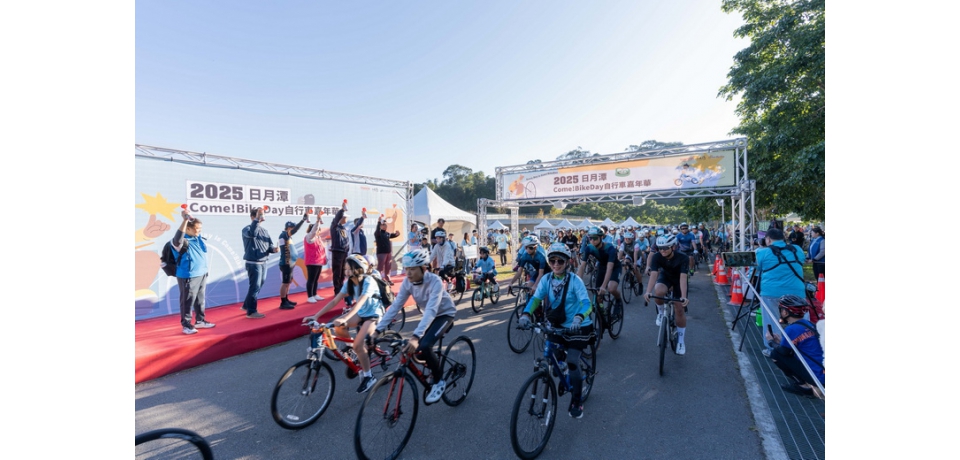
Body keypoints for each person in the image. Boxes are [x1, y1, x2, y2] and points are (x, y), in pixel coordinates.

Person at [371, 249, 458, 404]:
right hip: (430, 315)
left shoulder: (435, 281)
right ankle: (433, 365)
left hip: (444, 314)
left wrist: (416, 336)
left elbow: (432, 310)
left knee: (424, 345)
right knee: (415, 351)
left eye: (412, 269)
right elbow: (396, 307)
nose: (408, 273)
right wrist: (377, 331)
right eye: (407, 269)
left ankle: (439, 382)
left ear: (424, 268)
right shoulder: (407, 283)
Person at [518, 243, 593, 418]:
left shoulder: (576, 280)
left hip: (578, 326)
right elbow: (536, 299)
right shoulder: (546, 279)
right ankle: (563, 367)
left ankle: (576, 400)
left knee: (573, 360)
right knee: (551, 353)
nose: (556, 264)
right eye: (552, 260)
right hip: (558, 325)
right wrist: (526, 314)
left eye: (560, 260)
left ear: (567, 262)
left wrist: (579, 317)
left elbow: (586, 303)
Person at [302, 255, 385, 394]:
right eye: (345, 268)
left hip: (373, 314)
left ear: (359, 269)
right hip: (361, 313)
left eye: (349, 268)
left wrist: (345, 317)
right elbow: (335, 301)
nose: (346, 271)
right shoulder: (349, 282)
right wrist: (316, 316)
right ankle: (352, 348)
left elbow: (360, 303)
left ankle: (368, 376)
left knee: (359, 344)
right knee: (338, 325)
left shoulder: (368, 281)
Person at [755, 227, 807, 356]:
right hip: (797, 292)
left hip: (771, 292)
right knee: (800, 321)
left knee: (771, 321)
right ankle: (803, 349)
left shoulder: (763, 252)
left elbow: (758, 268)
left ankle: (773, 349)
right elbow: (802, 261)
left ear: (768, 239)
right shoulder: (797, 249)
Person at [764, 294, 825, 396]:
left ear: (785, 312)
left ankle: (803, 386)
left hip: (818, 377)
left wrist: (771, 341)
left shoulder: (791, 329)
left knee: (775, 354)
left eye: (781, 309)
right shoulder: (808, 324)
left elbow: (784, 352)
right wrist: (780, 342)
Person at [644, 233, 690, 355]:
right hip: (666, 277)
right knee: (658, 291)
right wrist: (648, 291)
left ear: (673, 247)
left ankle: (680, 341)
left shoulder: (683, 258)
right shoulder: (657, 257)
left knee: (679, 308)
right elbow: (654, 274)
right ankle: (660, 313)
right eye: (660, 248)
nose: (662, 251)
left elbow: (683, 278)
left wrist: (683, 296)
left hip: (679, 280)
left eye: (665, 248)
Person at [174, 210, 214, 334]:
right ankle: (186, 325)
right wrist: (185, 220)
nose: (199, 231)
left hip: (201, 273)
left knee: (200, 300)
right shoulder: (181, 241)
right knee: (187, 301)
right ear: (188, 229)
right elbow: (177, 239)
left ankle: (200, 321)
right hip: (188, 275)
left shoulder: (197, 238)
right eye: (197, 229)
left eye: (200, 228)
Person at [242, 206, 279, 319]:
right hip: (253, 263)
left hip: (263, 262)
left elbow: (269, 245)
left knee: (258, 285)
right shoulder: (246, 229)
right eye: (258, 216)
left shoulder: (265, 231)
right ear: (253, 217)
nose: (262, 217)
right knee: (255, 286)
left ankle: (246, 305)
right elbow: (252, 233)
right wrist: (257, 220)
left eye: (262, 215)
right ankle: (251, 312)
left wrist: (273, 249)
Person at [576, 226, 623, 313]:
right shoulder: (589, 248)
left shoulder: (610, 248)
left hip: (614, 267)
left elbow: (610, 268)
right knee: (598, 295)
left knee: (611, 288)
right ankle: (602, 313)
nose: (592, 240)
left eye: (595, 238)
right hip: (602, 267)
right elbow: (582, 266)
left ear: (601, 237)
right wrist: (577, 284)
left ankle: (618, 300)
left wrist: (604, 286)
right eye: (590, 238)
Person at [277, 214, 308, 309]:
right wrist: (303, 220)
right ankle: (283, 303)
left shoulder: (288, 237)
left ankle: (286, 299)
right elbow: (295, 231)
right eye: (291, 228)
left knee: (288, 282)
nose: (293, 230)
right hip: (286, 263)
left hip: (290, 263)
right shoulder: (284, 234)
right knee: (285, 282)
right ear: (288, 228)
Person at [303, 213, 327, 303]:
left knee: (316, 279)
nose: (318, 231)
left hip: (319, 262)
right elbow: (313, 231)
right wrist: (318, 221)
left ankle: (314, 294)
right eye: (318, 229)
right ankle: (309, 296)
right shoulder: (309, 237)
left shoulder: (318, 238)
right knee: (311, 279)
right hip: (312, 262)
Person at [329, 203, 350, 297]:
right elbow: (336, 219)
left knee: (342, 271)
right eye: (345, 217)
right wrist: (342, 210)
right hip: (337, 251)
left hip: (344, 252)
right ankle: (337, 290)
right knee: (337, 272)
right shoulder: (335, 227)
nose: (346, 219)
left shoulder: (343, 228)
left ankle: (342, 289)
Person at [374, 216, 401, 284]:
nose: (385, 225)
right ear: (380, 226)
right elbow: (377, 230)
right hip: (381, 253)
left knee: (388, 267)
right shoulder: (378, 233)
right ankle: (378, 280)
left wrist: (397, 234)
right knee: (380, 267)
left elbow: (393, 235)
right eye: (383, 224)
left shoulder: (387, 233)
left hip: (388, 253)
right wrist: (379, 222)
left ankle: (388, 279)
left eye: (385, 224)